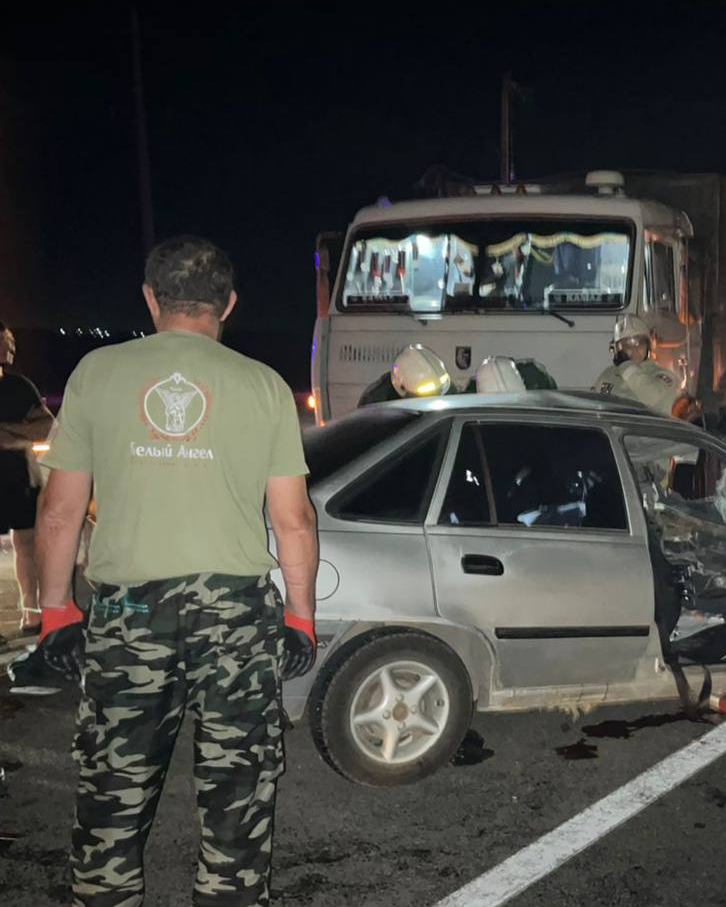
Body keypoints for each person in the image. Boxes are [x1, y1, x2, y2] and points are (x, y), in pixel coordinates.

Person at [35, 236, 319, 907]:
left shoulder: (96, 374)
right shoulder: (263, 386)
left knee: (112, 803)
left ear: (151, 298)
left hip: (130, 618)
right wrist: (300, 617)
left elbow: (58, 510)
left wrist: (55, 609)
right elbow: (295, 521)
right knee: (237, 808)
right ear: (229, 304)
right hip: (237, 623)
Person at [0, 321, 53, 634]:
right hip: (17, 471)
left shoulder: (21, 385)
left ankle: (30, 614)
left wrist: (5, 434)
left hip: (20, 477)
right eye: (5, 341)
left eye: (11, 341)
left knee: (27, 545)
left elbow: (47, 427)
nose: (11, 348)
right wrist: (18, 433)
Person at [593, 314, 697, 419]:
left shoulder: (663, 376)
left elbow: (651, 396)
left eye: (639, 343)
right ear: (616, 349)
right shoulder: (608, 374)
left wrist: (627, 367)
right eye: (626, 345)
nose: (633, 350)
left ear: (648, 345)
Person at [357, 343, 453, 406]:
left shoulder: (444, 387)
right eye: (425, 394)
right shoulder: (375, 402)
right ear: (402, 388)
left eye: (437, 391)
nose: (434, 396)